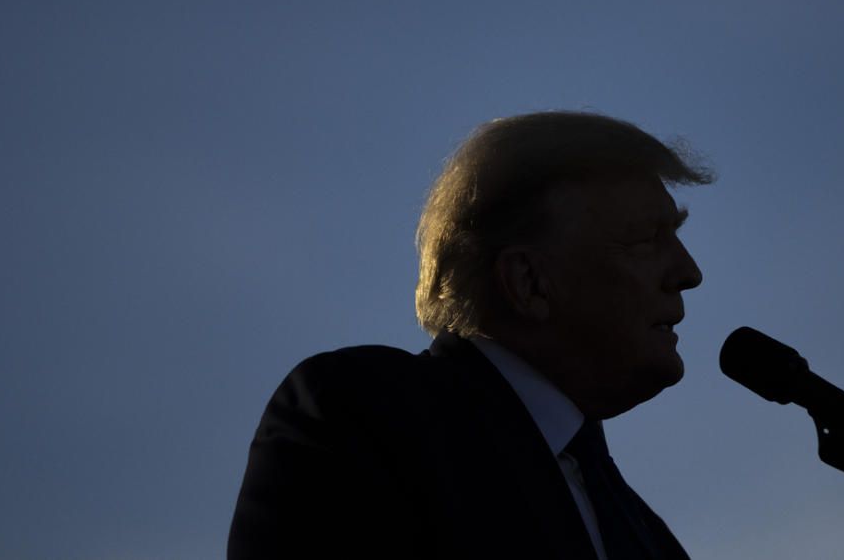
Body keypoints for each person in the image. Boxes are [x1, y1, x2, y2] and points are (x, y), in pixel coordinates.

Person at [229, 111, 713, 559]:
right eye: (648, 239)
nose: (689, 272)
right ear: (529, 283)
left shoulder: (651, 539)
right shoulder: (364, 417)